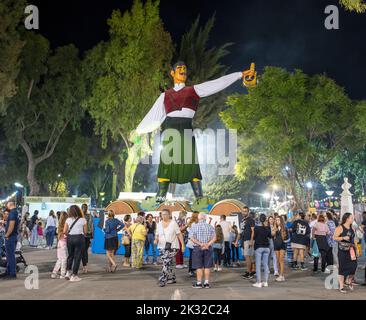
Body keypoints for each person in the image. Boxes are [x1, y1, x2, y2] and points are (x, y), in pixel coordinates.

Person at [135, 61, 256, 203]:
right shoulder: (164, 96)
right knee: (166, 164)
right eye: (179, 68)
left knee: (191, 163)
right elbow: (153, 116)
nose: (183, 70)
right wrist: (138, 131)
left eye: (185, 69)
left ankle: (199, 198)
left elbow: (217, 83)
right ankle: (160, 196)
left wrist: (240, 74)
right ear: (172, 73)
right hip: (170, 130)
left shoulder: (194, 90)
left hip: (186, 129)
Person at [155, 209, 185, 287]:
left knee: (166, 262)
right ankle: (172, 277)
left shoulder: (173, 223)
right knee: (168, 262)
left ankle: (162, 279)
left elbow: (179, 234)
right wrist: (156, 240)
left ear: (169, 215)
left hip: (173, 246)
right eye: (162, 214)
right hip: (161, 246)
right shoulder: (158, 224)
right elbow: (157, 235)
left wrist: (183, 245)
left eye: (165, 214)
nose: (164, 216)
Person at [189, 212, 216, 289]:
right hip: (208, 248)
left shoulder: (194, 227)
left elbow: (191, 238)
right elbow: (214, 238)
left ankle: (199, 283)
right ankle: (207, 283)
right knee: (207, 266)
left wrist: (201, 244)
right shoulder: (210, 227)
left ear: (198, 218)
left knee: (199, 267)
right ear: (205, 218)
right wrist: (207, 244)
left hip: (198, 248)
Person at [333, 212, 359, 293]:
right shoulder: (340, 227)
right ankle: (341, 286)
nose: (353, 219)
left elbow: (354, 239)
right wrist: (343, 237)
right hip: (342, 250)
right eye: (351, 217)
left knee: (353, 266)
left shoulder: (353, 228)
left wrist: (357, 249)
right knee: (342, 267)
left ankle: (349, 281)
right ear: (347, 218)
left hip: (351, 250)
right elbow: (334, 237)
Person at [64, 205, 87, 282]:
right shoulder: (83, 220)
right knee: (77, 257)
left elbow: (64, 231)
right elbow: (85, 232)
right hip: (79, 238)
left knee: (70, 255)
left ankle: (68, 272)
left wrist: (69, 235)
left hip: (70, 238)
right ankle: (74, 275)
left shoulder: (67, 220)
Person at [252, 214, 272, 288]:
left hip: (259, 247)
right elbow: (270, 236)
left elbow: (254, 237)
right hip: (267, 248)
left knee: (258, 265)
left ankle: (259, 282)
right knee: (266, 265)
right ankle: (266, 282)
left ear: (259, 219)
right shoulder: (267, 228)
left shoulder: (256, 228)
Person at [2, 202, 19, 280]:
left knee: (10, 255)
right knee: (9, 255)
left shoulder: (12, 213)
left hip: (10, 237)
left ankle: (12, 273)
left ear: (9, 205)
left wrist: (7, 235)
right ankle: (9, 271)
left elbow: (11, 225)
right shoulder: (15, 212)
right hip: (13, 236)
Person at [51, 211, 68, 279]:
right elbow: (66, 235)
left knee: (59, 259)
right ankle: (62, 274)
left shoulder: (59, 225)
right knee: (64, 259)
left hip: (59, 243)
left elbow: (57, 233)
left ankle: (54, 273)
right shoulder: (66, 225)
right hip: (64, 243)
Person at [240, 206, 256, 279]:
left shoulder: (250, 220)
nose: (244, 212)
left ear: (248, 212)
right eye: (243, 211)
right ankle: (250, 271)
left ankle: (250, 273)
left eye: (245, 211)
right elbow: (242, 231)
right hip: (244, 240)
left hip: (249, 240)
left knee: (248, 257)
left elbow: (253, 231)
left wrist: (251, 241)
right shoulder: (243, 220)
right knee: (248, 257)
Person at [272, 215, 289, 282]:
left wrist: (285, 241)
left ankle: (282, 276)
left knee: (281, 260)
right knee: (278, 261)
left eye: (278, 220)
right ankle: (280, 275)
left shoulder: (284, 228)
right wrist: (274, 230)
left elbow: (287, 238)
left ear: (281, 220)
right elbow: (272, 235)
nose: (277, 221)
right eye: (276, 220)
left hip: (282, 245)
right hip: (276, 245)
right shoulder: (274, 228)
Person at [81, 203, 94, 274]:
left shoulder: (79, 216)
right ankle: (85, 267)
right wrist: (92, 234)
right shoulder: (90, 216)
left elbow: (91, 226)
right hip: (87, 235)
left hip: (81, 235)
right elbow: (91, 226)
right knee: (84, 251)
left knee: (82, 251)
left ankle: (84, 266)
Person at [186, 211, 199, 277]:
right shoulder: (194, 224)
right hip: (193, 243)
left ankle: (192, 270)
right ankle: (191, 270)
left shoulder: (191, 223)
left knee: (193, 257)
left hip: (193, 242)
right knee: (193, 257)